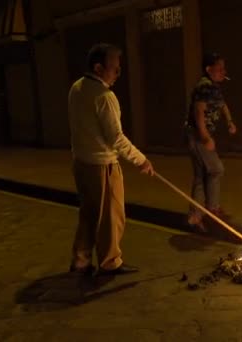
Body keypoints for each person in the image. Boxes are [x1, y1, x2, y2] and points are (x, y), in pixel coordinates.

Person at [67, 43, 154, 276]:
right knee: (110, 217)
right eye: (114, 69)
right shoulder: (105, 96)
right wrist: (141, 160)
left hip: (81, 163)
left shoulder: (76, 88)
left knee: (88, 214)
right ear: (98, 68)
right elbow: (116, 138)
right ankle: (110, 262)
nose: (118, 74)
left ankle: (81, 261)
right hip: (101, 165)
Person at [184, 52, 237, 231]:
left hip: (199, 135)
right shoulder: (204, 86)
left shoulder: (214, 87)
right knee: (216, 169)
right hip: (197, 136)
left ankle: (195, 216)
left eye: (224, 68)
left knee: (201, 175)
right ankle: (212, 209)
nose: (223, 71)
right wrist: (205, 137)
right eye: (219, 68)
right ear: (208, 69)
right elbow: (199, 113)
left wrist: (229, 122)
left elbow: (223, 105)